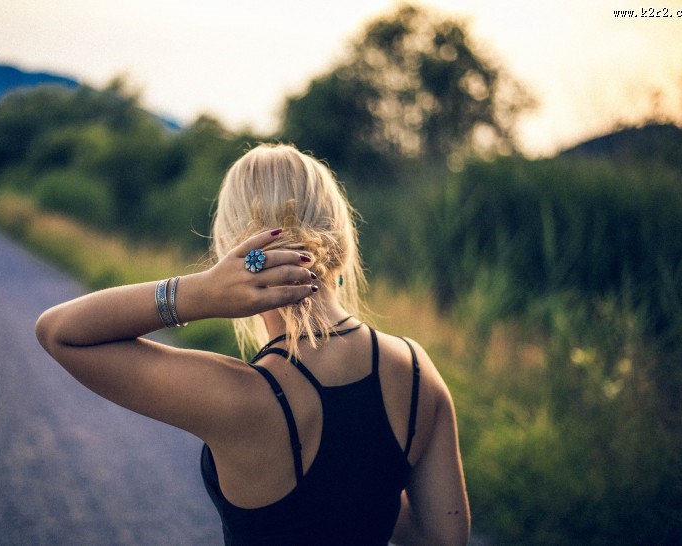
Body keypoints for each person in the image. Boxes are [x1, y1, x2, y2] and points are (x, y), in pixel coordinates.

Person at [35, 143, 470, 545]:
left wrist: (199, 293)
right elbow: (443, 539)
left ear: (230, 250)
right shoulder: (416, 370)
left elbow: (60, 332)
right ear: (341, 244)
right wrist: (364, 477)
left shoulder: (239, 397)